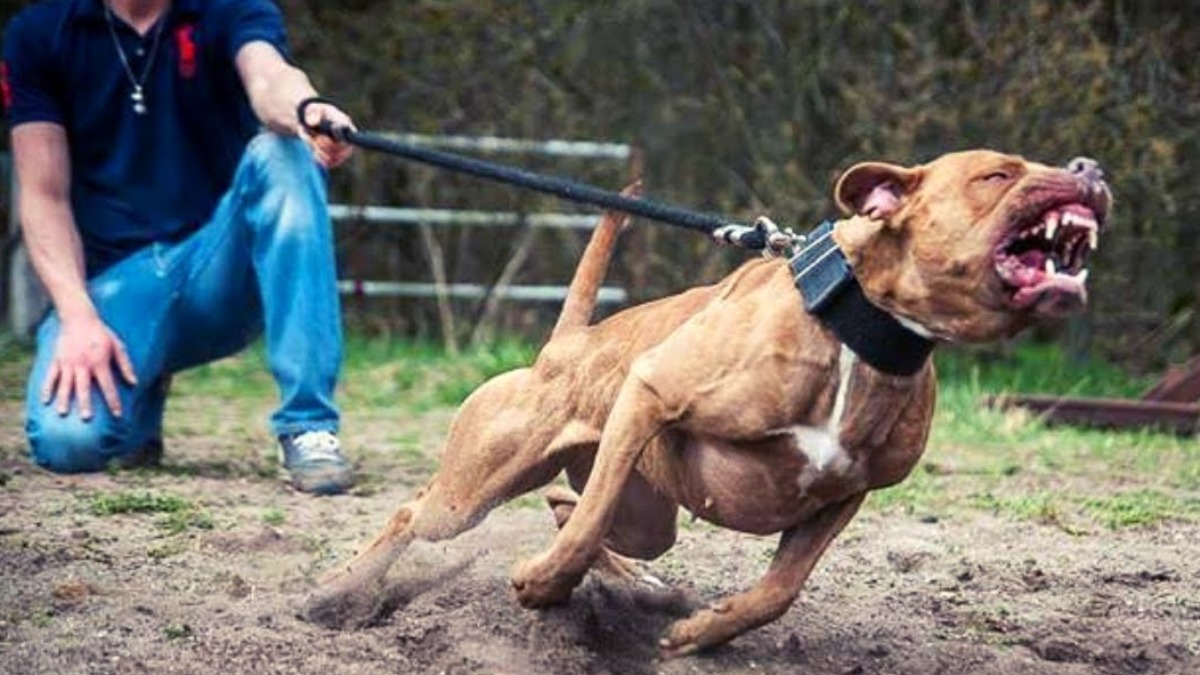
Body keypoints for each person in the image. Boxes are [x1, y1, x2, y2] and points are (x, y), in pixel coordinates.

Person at [3, 0, 358, 495]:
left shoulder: (231, 10)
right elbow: (44, 194)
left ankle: (308, 424)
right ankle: (142, 395)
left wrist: (305, 110)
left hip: (215, 265)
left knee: (284, 152)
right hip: (115, 286)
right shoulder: (39, 33)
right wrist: (77, 316)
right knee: (68, 443)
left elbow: (268, 75)